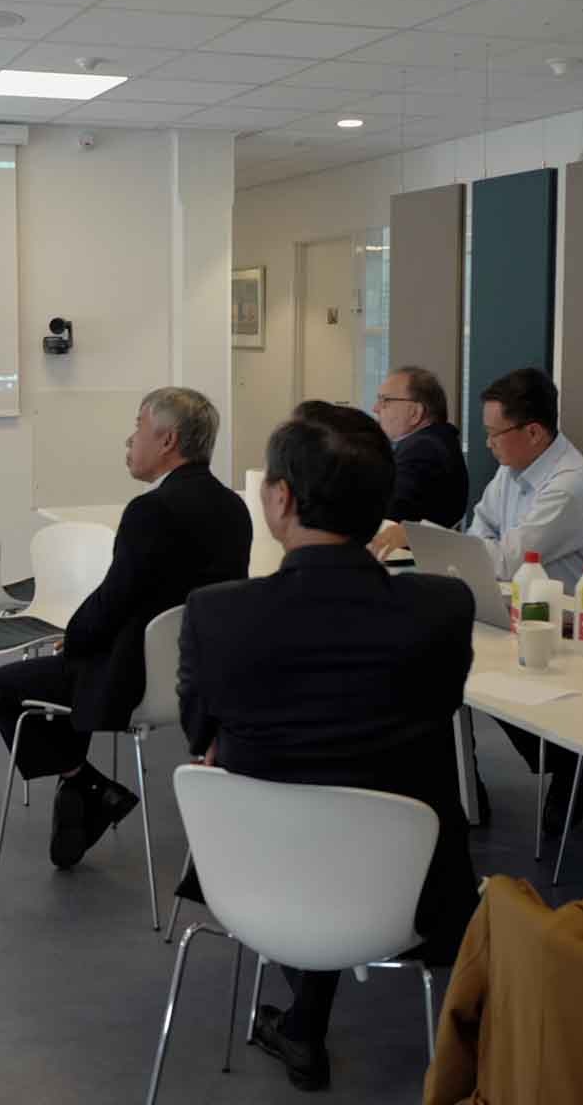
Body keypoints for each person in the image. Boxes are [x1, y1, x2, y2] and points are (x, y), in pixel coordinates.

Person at [178, 401, 479, 1091]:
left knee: (300, 792)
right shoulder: (442, 608)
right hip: (406, 888)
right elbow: (438, 707)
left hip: (257, 878)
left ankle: (303, 1023)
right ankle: (303, 1024)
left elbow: (201, 736)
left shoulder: (217, 614)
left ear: (281, 498)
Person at [0, 387, 249, 870]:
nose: (130, 439)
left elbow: (112, 601)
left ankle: (84, 782)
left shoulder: (151, 511)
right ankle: (81, 794)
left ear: (167, 440)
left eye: (138, 427)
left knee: (1, 686)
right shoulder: (233, 508)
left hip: (134, 679)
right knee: (74, 665)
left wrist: (74, 639)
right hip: (200, 679)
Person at [467, 366, 583, 833]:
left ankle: (576, 757)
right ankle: (567, 756)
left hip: (582, 616)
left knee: (492, 671)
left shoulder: (570, 484)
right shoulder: (510, 472)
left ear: (533, 432)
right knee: (474, 671)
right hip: (528, 605)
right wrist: (488, 551)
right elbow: (480, 527)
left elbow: (509, 557)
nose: (489, 444)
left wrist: (488, 552)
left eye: (495, 433)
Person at [367, 366, 468, 562]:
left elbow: (388, 513)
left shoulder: (422, 449)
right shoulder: (435, 442)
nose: (376, 409)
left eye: (385, 401)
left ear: (415, 412)